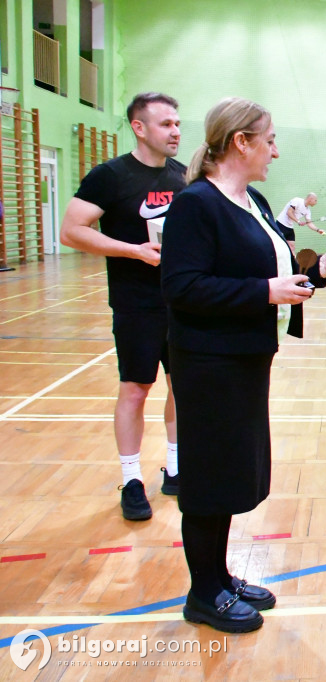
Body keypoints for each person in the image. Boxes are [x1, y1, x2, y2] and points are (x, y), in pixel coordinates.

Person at [161, 98, 326, 633]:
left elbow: (277, 277)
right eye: (269, 140)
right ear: (240, 142)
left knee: (228, 471)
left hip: (245, 358)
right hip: (207, 362)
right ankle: (203, 594)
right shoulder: (196, 204)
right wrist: (265, 290)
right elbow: (182, 286)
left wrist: (320, 272)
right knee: (207, 477)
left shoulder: (253, 201)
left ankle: (219, 577)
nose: (276, 150)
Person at [59, 92, 185, 521]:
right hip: (136, 304)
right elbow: (72, 231)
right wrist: (133, 251)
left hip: (182, 303)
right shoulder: (109, 176)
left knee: (181, 386)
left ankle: (175, 466)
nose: (175, 131)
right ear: (139, 127)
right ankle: (131, 479)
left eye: (177, 123)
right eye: (166, 124)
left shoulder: (183, 176)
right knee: (135, 388)